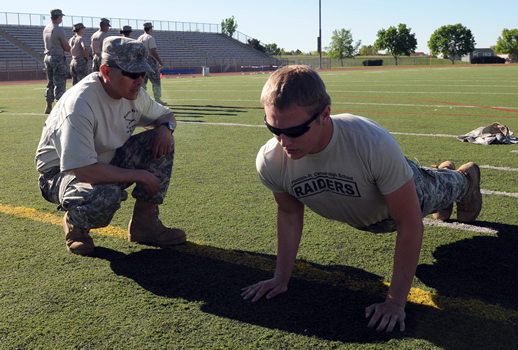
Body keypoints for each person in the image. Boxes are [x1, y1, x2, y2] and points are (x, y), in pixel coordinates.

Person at [241, 65, 482, 333]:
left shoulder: (371, 142)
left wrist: (395, 303)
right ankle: (442, 174)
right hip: (367, 208)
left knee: (435, 192)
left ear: (324, 114)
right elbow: (288, 214)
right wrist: (280, 277)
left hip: (399, 202)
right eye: (273, 128)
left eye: (295, 131)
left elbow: (409, 222)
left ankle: (465, 179)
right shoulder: (271, 159)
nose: (283, 141)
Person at [35, 37, 186, 256]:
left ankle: (144, 224)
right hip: (60, 173)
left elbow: (166, 115)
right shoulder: (80, 103)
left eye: (142, 74)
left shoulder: (135, 94)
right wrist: (141, 176)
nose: (140, 81)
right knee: (107, 195)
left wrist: (166, 128)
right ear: (106, 71)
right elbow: (84, 171)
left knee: (163, 139)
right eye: (132, 74)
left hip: (103, 161)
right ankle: (76, 226)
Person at [42, 9, 71, 114]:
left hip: (47, 57)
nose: (61, 18)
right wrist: (73, 53)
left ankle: (48, 106)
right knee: (60, 83)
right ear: (58, 17)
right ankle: (59, 107)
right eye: (61, 17)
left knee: (50, 83)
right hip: (57, 58)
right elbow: (66, 47)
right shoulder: (59, 30)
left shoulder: (46, 28)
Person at [137, 22, 166, 105]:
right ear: (150, 28)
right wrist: (159, 61)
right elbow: (153, 50)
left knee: (143, 81)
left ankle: (142, 99)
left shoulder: (139, 38)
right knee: (156, 81)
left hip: (141, 61)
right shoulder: (150, 38)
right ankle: (157, 98)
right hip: (150, 61)